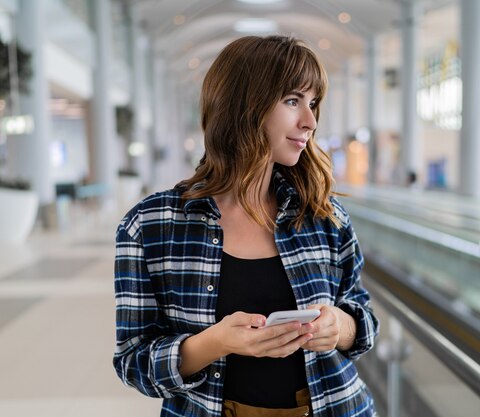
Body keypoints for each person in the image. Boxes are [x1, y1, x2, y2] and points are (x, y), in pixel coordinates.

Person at [114, 35, 379, 417]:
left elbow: (364, 318)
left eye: (313, 103)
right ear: (244, 106)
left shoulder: (323, 215)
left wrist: (340, 325)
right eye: (293, 101)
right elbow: (132, 361)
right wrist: (215, 342)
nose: (310, 121)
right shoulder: (151, 226)